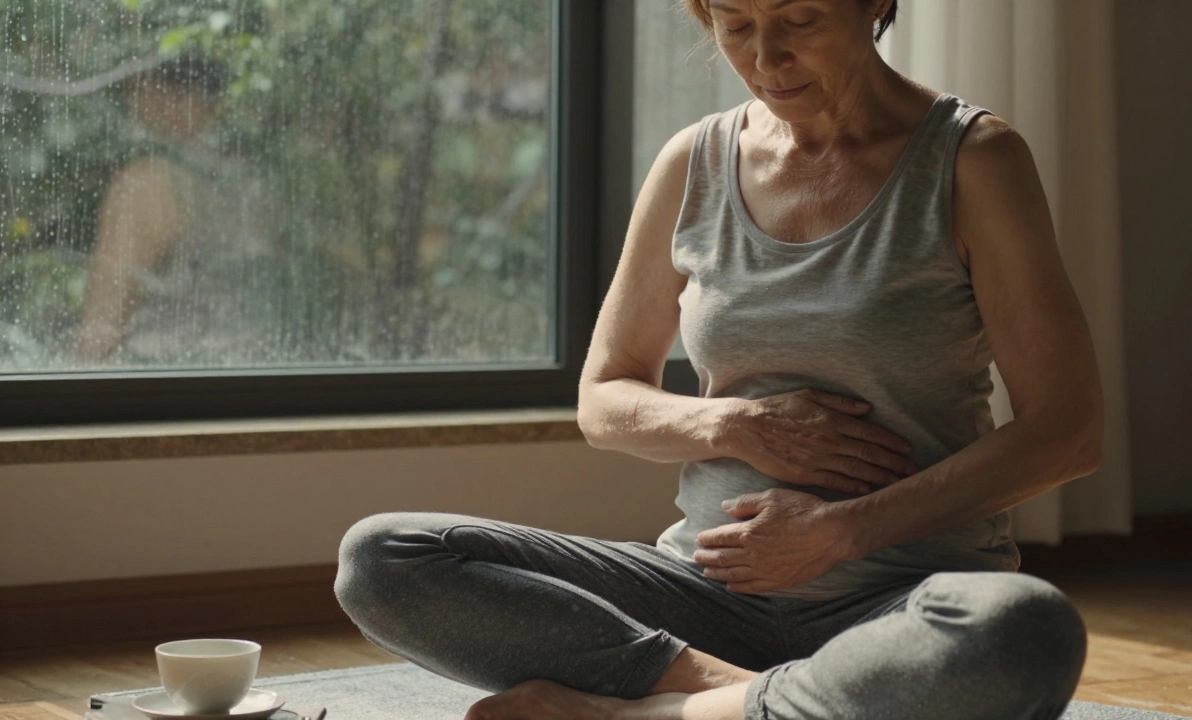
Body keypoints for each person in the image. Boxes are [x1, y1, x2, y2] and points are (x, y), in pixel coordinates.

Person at [335, 1, 1105, 718]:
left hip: (897, 605)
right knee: (384, 558)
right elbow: (604, 397)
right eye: (734, 24)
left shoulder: (975, 160)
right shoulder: (692, 161)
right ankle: (750, 701)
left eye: (798, 18)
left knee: (1020, 628)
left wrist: (841, 532)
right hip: (702, 602)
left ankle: (643, 713)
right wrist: (734, 425)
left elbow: (1068, 430)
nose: (766, 56)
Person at [75, 50, 281, 367]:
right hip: (264, 375)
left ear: (178, 93)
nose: (133, 100)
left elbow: (103, 321)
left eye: (138, 86)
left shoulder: (147, 184)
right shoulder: (256, 180)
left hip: (169, 385)